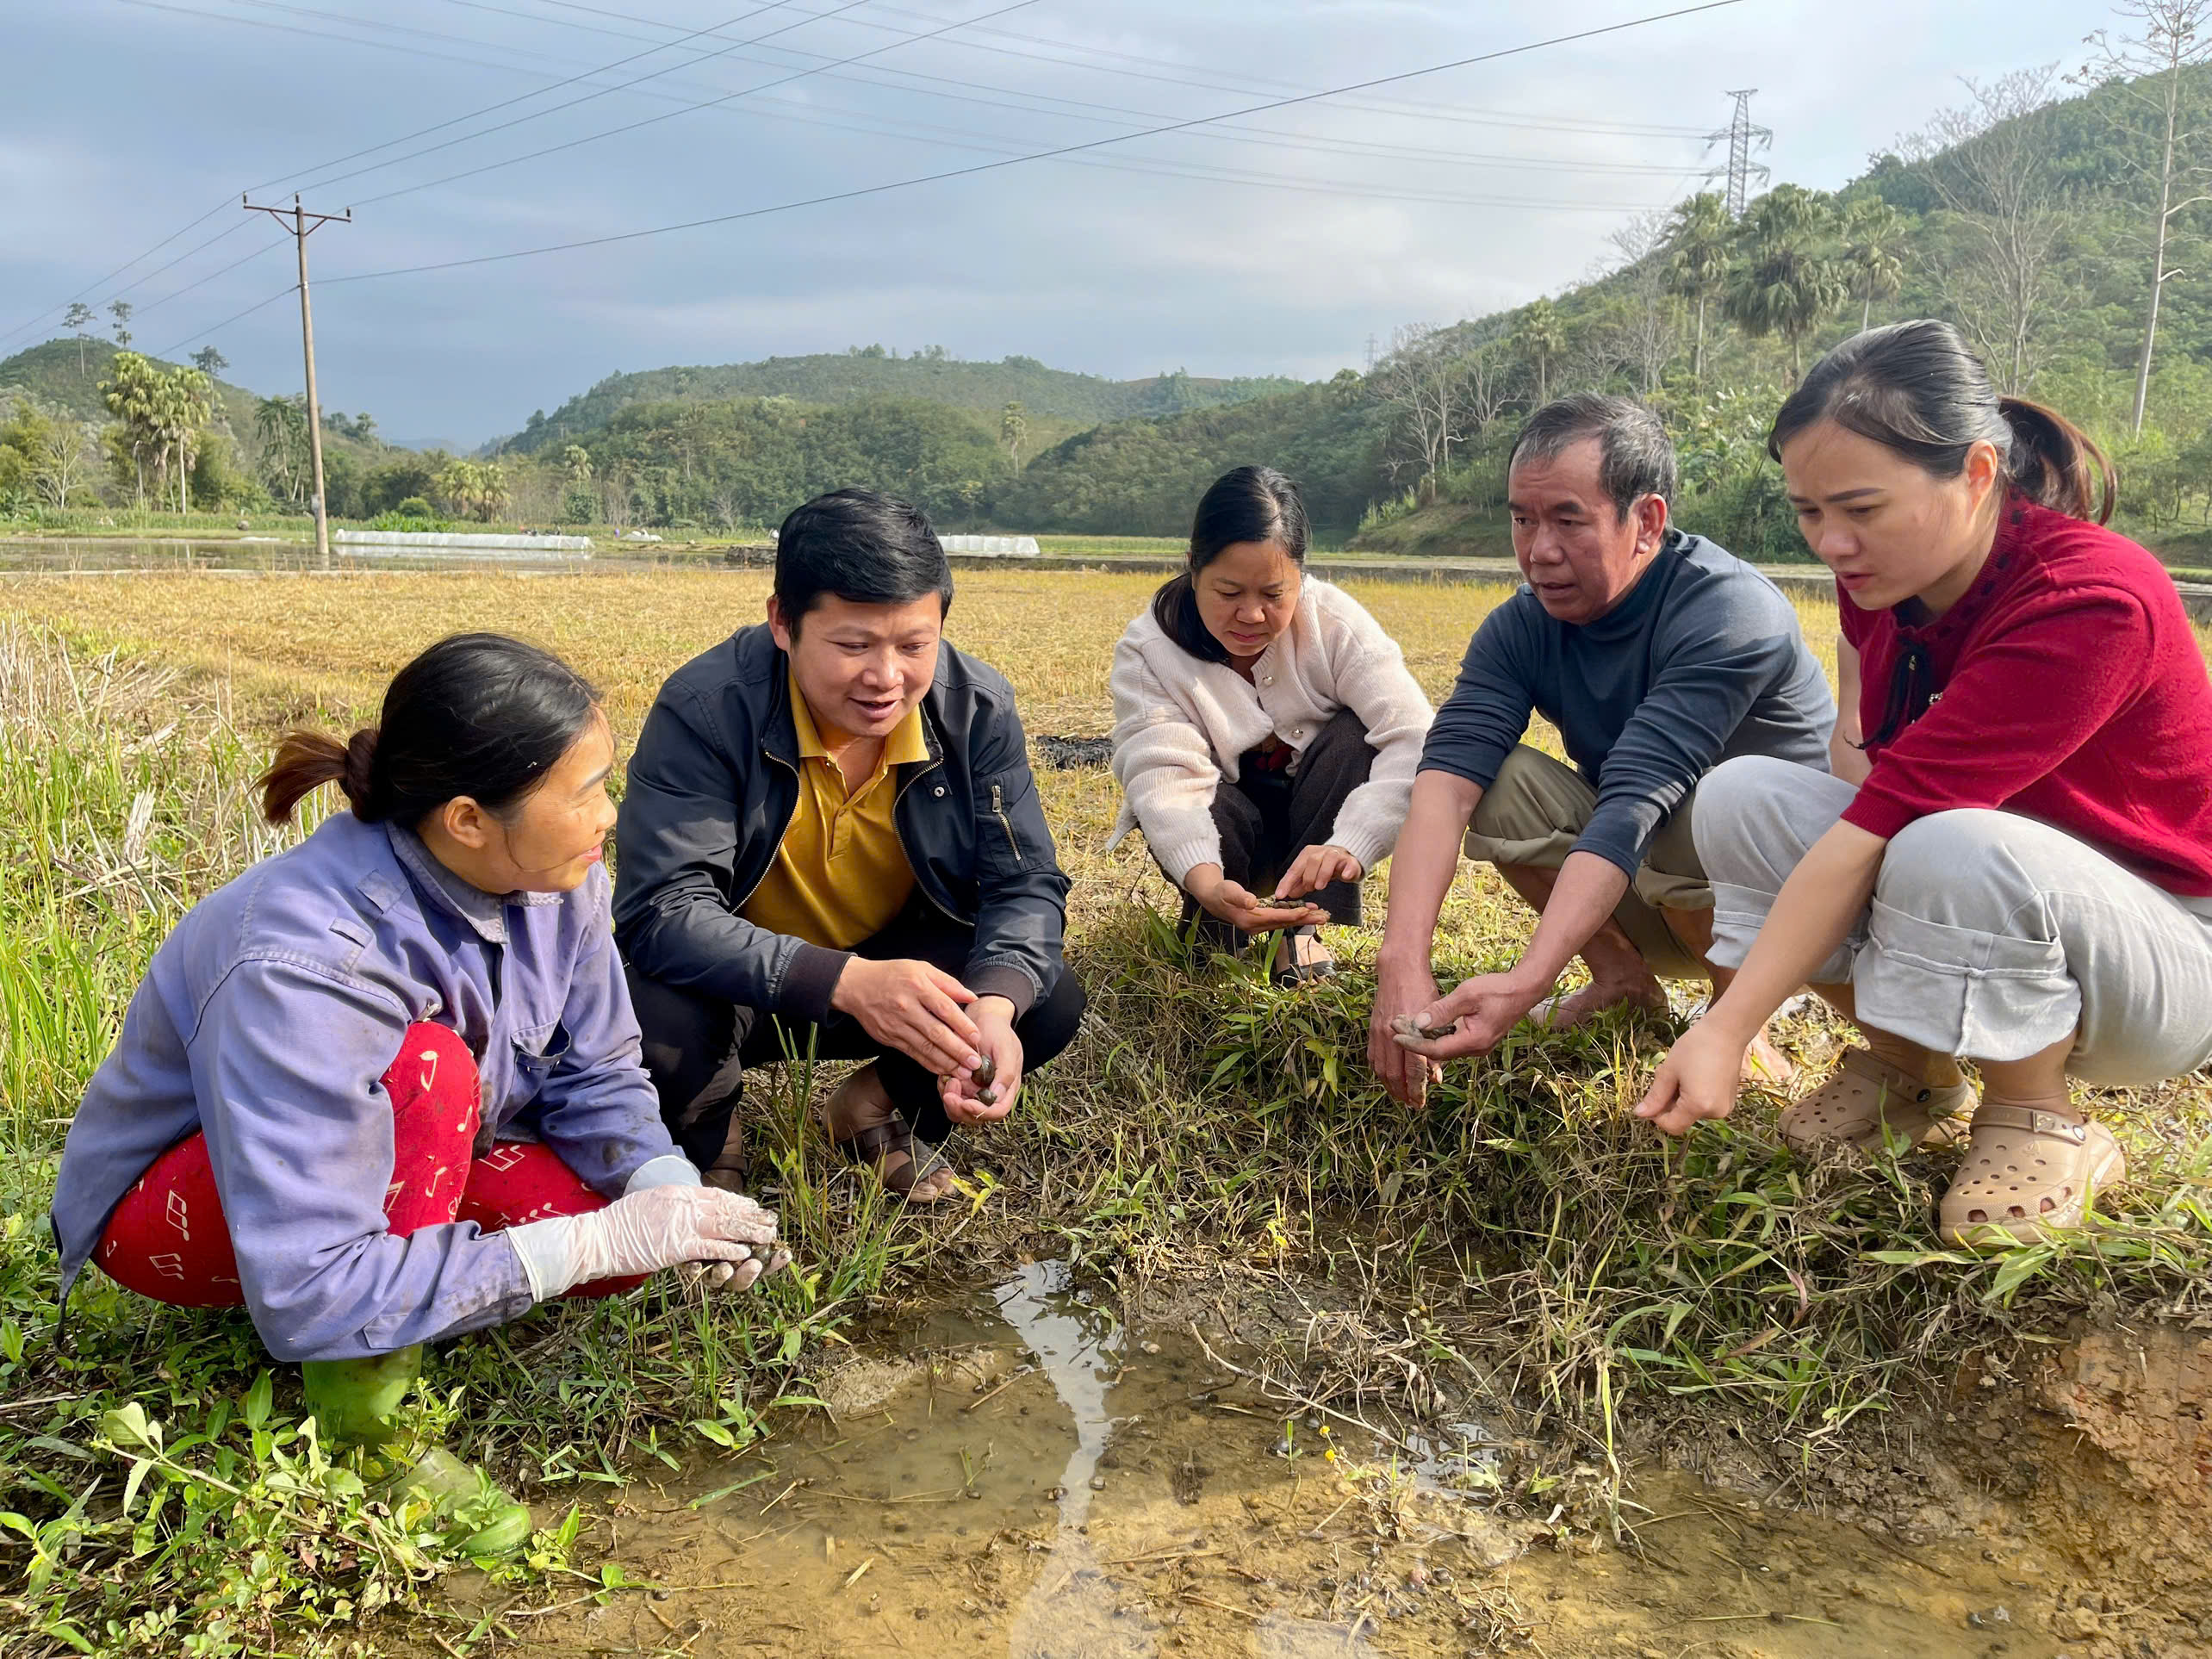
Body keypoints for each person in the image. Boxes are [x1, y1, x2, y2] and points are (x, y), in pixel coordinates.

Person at [48, 634, 786, 1557]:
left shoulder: (562, 879)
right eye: (587, 789)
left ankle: (412, 1285)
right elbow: (305, 1286)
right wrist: (575, 1247)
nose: (610, 812)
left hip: (381, 1158)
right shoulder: (309, 958)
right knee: (432, 1074)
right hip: (190, 1210)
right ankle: (367, 1426)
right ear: (470, 819)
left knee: (611, 1228)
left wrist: (659, 1182)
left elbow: (594, 1067)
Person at [1634, 320, 2212, 1247]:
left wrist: (1727, 1027)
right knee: (1744, 795)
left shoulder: (2087, 599)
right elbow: (1859, 775)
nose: (1831, 542)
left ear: (1977, 473)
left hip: (2164, 953)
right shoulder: (1889, 588)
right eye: (1809, 512)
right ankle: (1916, 1075)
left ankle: (2041, 1116)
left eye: (1861, 508)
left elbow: (1884, 827)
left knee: (1950, 837)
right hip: (2003, 891)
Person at [615, 488, 1083, 1205]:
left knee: (1037, 998)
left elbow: (1025, 885)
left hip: (890, 964)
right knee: (652, 1018)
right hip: (740, 983)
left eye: (913, 645)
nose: (886, 678)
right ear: (783, 622)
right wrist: (847, 982)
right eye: (854, 645)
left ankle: (867, 1109)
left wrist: (992, 1010)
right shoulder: (708, 708)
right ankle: (713, 1141)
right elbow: (663, 910)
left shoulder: (976, 709)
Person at [1374, 394, 1835, 1107]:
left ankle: (1740, 1020)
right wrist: (1401, 961)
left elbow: (1633, 803)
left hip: (1785, 909)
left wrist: (1529, 978)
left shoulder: (1727, 613)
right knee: (1497, 777)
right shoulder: (1521, 627)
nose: (1539, 551)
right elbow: (1443, 786)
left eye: (1567, 520)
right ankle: (1624, 983)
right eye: (1523, 520)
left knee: (1705, 799)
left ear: (1646, 522)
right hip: (1650, 881)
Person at [1108, 465, 1434, 981]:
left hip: (1317, 829)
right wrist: (1207, 880)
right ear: (1193, 566)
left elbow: (1415, 736)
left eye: (1273, 594)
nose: (1252, 615)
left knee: (1355, 737)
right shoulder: (1151, 651)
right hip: (1223, 831)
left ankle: (1301, 928)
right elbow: (1163, 776)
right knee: (1195, 795)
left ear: (1300, 576)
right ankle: (1215, 928)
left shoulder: (1334, 625)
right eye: (1229, 592)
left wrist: (1352, 841)